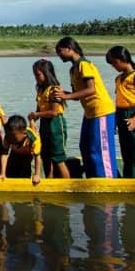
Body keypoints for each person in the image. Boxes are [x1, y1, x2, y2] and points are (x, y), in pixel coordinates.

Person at [53, 37, 117, 178]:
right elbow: (78, 95)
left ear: (69, 49)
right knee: (86, 147)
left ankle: (107, 180)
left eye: (60, 51)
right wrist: (65, 94)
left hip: (101, 111)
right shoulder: (73, 70)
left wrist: (66, 97)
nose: (59, 55)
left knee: (100, 150)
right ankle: (92, 177)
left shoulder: (84, 65)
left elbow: (91, 89)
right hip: (89, 113)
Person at [106, 46, 135, 178]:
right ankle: (129, 180)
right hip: (121, 115)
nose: (114, 66)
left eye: (115, 62)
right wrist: (114, 121)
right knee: (126, 153)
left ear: (123, 59)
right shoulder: (119, 79)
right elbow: (119, 100)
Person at [28, 58, 71, 179]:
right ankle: (49, 180)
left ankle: (67, 185)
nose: (36, 78)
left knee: (58, 157)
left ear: (46, 73)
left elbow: (54, 112)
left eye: (38, 75)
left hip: (56, 124)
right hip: (45, 124)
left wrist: (37, 115)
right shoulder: (41, 89)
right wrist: (33, 118)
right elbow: (39, 110)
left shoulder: (54, 89)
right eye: (35, 75)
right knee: (45, 155)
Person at [0, 115, 42, 185]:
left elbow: (38, 157)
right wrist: (2, 173)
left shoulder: (33, 139)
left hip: (29, 156)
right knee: (11, 172)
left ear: (24, 134)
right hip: (15, 153)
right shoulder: (8, 137)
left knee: (26, 174)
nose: (11, 138)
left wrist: (37, 174)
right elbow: (4, 154)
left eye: (14, 136)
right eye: (9, 135)